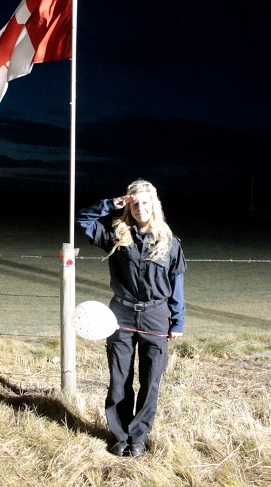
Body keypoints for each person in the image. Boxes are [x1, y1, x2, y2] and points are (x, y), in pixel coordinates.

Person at [75, 179, 187, 457]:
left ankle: (139, 436)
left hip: (156, 317)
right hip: (120, 316)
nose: (140, 208)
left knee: (150, 381)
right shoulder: (117, 235)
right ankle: (119, 434)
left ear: (154, 205)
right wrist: (111, 204)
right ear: (129, 205)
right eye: (134, 203)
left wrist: (178, 321)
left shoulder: (170, 243)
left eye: (145, 202)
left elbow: (177, 285)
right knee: (119, 378)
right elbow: (83, 220)